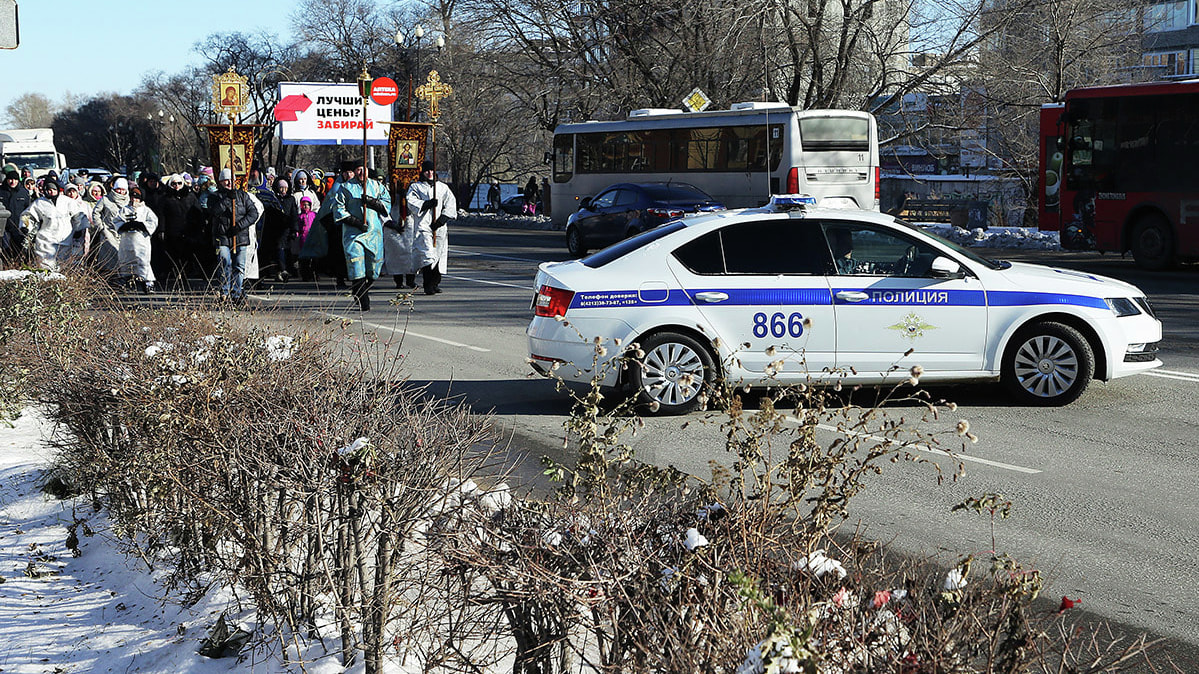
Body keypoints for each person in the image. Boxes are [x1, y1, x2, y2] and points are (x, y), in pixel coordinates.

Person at [331, 159, 390, 310]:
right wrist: (355, 222)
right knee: (356, 265)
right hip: (353, 234)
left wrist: (373, 202)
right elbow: (339, 209)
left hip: (373, 233)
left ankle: (360, 289)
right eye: (358, 169)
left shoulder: (376, 186)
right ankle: (363, 299)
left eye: (364, 169)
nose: (361, 172)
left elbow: (387, 203)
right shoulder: (345, 188)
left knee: (373, 269)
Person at [207, 168, 260, 304]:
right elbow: (214, 211)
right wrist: (227, 200)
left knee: (239, 265)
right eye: (226, 180)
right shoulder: (214, 196)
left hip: (240, 236)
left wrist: (240, 225)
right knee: (225, 261)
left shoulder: (243, 196)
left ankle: (236, 293)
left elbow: (253, 213)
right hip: (223, 236)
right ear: (220, 181)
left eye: (231, 180)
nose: (229, 182)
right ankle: (224, 291)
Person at [406, 160, 457, 295]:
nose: (430, 173)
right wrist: (426, 204)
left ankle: (435, 283)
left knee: (438, 255)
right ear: (423, 172)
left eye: (432, 171)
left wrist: (442, 219)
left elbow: (450, 203)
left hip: (438, 227)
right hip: (424, 226)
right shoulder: (416, 187)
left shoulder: (442, 187)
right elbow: (410, 202)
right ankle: (427, 284)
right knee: (428, 255)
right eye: (427, 171)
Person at [18, 178, 88, 271]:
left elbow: (79, 215)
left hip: (65, 239)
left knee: (64, 267)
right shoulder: (39, 203)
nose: (51, 192)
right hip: (45, 241)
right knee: (45, 268)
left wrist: (79, 228)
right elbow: (27, 215)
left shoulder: (67, 201)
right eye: (49, 190)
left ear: (58, 189)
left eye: (54, 189)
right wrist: (25, 226)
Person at [156, 174, 206, 288]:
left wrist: (199, 226)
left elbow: (198, 212)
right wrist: (161, 230)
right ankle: (175, 277)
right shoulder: (165, 198)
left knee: (187, 255)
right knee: (174, 255)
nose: (177, 186)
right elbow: (161, 215)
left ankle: (186, 277)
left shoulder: (190, 196)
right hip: (172, 230)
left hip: (188, 230)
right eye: (174, 184)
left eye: (179, 183)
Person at [116, 188, 160, 293]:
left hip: (141, 240)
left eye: (136, 197)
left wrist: (143, 226)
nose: (134, 199)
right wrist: (124, 226)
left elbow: (153, 221)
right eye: (132, 197)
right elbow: (116, 220)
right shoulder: (124, 209)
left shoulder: (146, 210)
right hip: (127, 239)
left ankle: (148, 282)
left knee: (143, 260)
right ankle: (126, 280)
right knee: (126, 260)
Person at [262, 176, 298, 281]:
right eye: (281, 188)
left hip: (286, 228)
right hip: (275, 228)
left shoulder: (290, 199)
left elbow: (294, 215)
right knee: (278, 249)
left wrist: (294, 229)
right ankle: (281, 270)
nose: (283, 190)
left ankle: (284, 270)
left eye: (285, 188)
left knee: (285, 250)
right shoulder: (274, 198)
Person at [1, 169, 33, 259]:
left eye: (15, 179)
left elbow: (28, 210)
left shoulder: (23, 192)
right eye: (10, 179)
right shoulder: (1, 191)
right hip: (4, 227)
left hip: (18, 227)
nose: (12, 182)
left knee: (18, 250)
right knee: (5, 249)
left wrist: (26, 226)